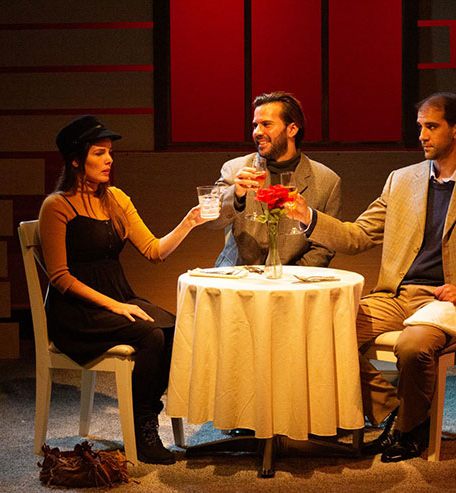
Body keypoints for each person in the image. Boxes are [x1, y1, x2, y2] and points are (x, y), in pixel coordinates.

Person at [288, 93, 456, 462]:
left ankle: (408, 431)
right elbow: (357, 236)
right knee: (322, 327)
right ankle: (398, 412)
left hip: (448, 300)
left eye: (431, 127)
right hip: (397, 295)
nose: (421, 135)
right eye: (420, 126)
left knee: (412, 346)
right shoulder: (401, 180)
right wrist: (308, 215)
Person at [38, 115, 210, 465]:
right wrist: (115, 307)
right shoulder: (56, 206)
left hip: (117, 296)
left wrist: (189, 222)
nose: (109, 160)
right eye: (100, 153)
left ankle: (143, 413)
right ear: (76, 160)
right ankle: (144, 426)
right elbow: (60, 277)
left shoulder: (116, 198)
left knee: (175, 328)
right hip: (76, 311)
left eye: (110, 153)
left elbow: (154, 251)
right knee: (151, 336)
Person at [210, 91, 341, 267]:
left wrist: (289, 278)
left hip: (295, 282)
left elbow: (325, 245)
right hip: (239, 276)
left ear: (292, 129)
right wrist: (236, 194)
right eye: (255, 125)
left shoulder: (327, 181)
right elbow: (212, 220)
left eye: (266, 124)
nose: (257, 132)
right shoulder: (234, 169)